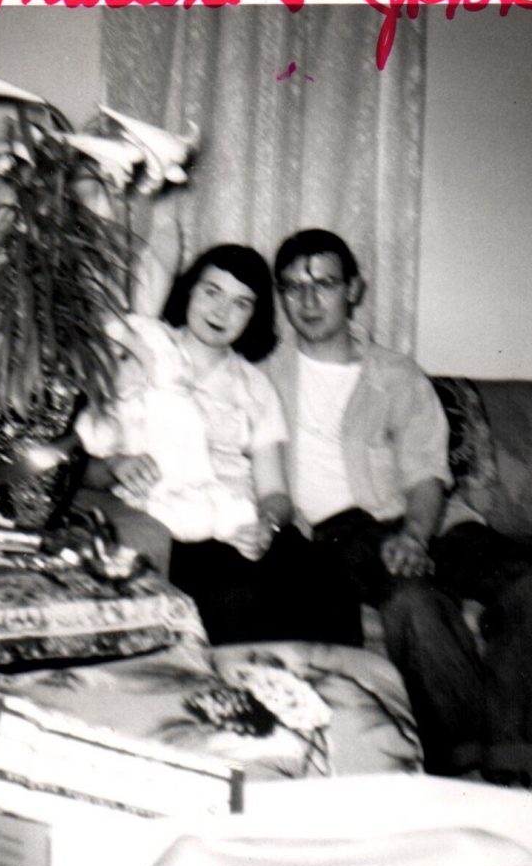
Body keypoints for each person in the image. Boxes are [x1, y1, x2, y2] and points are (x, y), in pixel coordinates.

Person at [266, 228, 532, 795]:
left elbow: (427, 469)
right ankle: (465, 780)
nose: (308, 301)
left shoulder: (396, 374)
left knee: (528, 581)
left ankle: (528, 778)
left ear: (354, 290)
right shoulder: (263, 379)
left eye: (324, 284)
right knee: (415, 600)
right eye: (292, 287)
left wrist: (416, 532)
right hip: (341, 532)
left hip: (431, 517)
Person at [75, 242, 361, 647]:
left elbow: (275, 492)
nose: (221, 312)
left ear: (254, 315)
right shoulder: (137, 352)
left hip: (240, 519)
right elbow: (75, 463)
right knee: (236, 596)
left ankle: (334, 702)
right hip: (169, 522)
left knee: (329, 583)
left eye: (241, 303)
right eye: (212, 292)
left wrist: (269, 524)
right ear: (188, 290)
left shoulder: (256, 385)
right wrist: (116, 465)